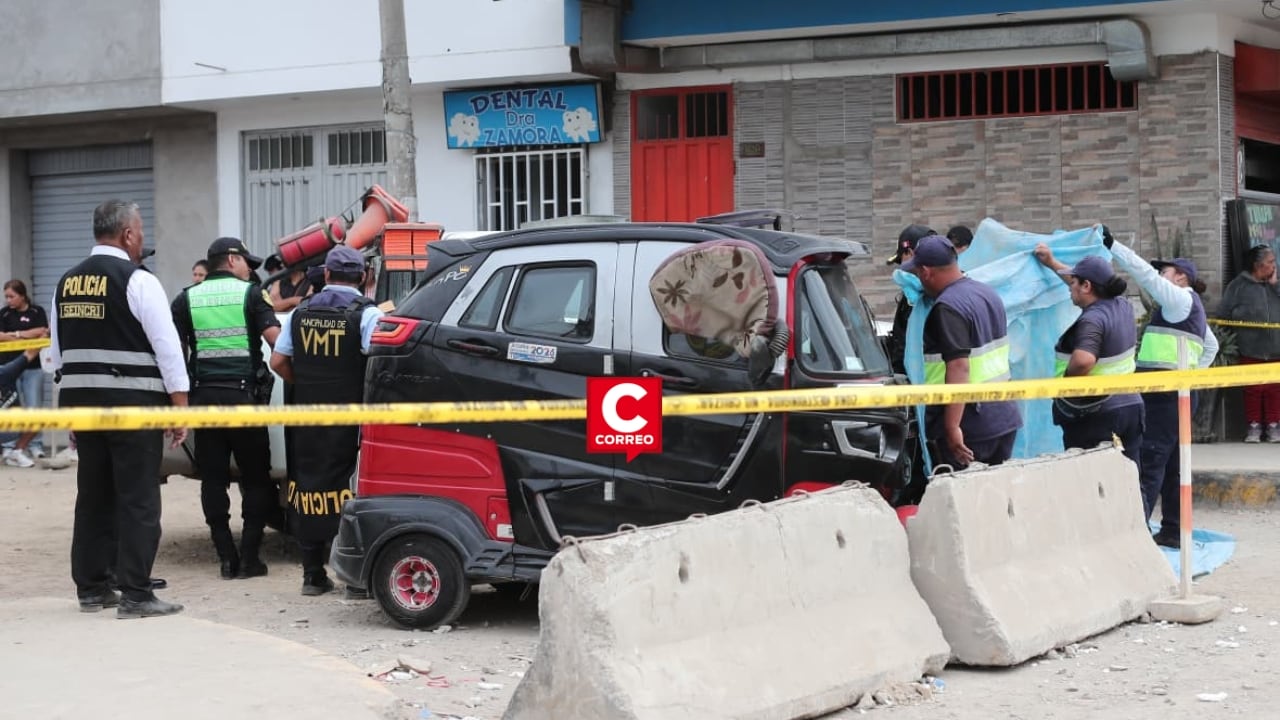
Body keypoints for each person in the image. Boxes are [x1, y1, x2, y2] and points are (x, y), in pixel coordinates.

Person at [51, 199, 189, 618]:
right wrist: (179, 404)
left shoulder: (66, 282)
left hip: (83, 408)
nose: (142, 236)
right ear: (128, 234)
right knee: (138, 499)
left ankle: (92, 588)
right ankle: (136, 594)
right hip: (133, 408)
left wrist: (69, 413)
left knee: (93, 496)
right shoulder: (138, 280)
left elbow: (58, 354)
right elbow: (167, 346)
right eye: (141, 230)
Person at [270, 246, 383, 595]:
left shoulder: (300, 312)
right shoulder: (368, 314)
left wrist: (303, 384)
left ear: (327, 275)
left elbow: (277, 362)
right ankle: (352, 580)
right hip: (350, 418)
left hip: (307, 414)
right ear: (363, 277)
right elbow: (378, 363)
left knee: (307, 485)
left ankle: (311, 575)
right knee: (351, 486)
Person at [172, 237, 281, 579]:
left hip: (204, 401)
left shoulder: (187, 297)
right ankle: (250, 557)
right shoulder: (251, 293)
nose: (251, 269)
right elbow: (277, 341)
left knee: (214, 479)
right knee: (256, 478)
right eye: (247, 262)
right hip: (244, 400)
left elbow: (174, 354)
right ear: (232, 260)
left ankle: (225, 556)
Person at [1106, 230, 1218, 549]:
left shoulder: (1179, 299)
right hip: (1179, 393)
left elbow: (1144, 275)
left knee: (1151, 461)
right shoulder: (1188, 308)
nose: (1159, 275)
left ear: (1180, 277)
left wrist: (1113, 246)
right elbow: (1210, 346)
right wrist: (1191, 376)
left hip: (1164, 395)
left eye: (1164, 271)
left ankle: (1134, 537)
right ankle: (1172, 530)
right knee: (1172, 464)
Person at [901, 234, 1022, 469]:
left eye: (917, 275)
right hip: (1002, 416)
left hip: (969, 427)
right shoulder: (987, 293)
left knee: (963, 499)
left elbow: (959, 366)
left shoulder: (947, 307)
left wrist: (952, 427)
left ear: (926, 271)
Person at [1033, 249, 1144, 464]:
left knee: (1093, 483)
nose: (1070, 288)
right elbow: (1082, 283)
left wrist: (1067, 383)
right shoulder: (1122, 305)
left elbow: (1084, 360)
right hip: (1130, 406)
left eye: (1074, 282)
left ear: (1087, 286)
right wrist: (1052, 263)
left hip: (1097, 413)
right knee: (1129, 479)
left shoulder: (1093, 319)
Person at [1218, 244, 1280, 442]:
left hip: (1275, 349)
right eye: (1270, 262)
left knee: (1274, 389)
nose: (1274, 265)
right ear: (1258, 265)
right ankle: (1253, 427)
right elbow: (1223, 315)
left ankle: (1273, 426)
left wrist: (1275, 285)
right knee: (1253, 389)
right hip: (1249, 348)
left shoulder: (1276, 285)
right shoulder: (1238, 286)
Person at [1, 279, 49, 466]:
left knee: (34, 408)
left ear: (22, 295)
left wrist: (15, 335)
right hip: (9, 368)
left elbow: (42, 331)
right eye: (6, 296)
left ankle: (35, 445)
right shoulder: (4, 313)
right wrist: (27, 335)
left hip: (32, 368)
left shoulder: (37, 312)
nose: (8, 300)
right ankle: (10, 447)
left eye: (12, 296)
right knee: (11, 409)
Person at [886, 224, 936, 375]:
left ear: (909, 253)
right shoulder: (949, 290)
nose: (901, 268)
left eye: (901, 259)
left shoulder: (920, 298)